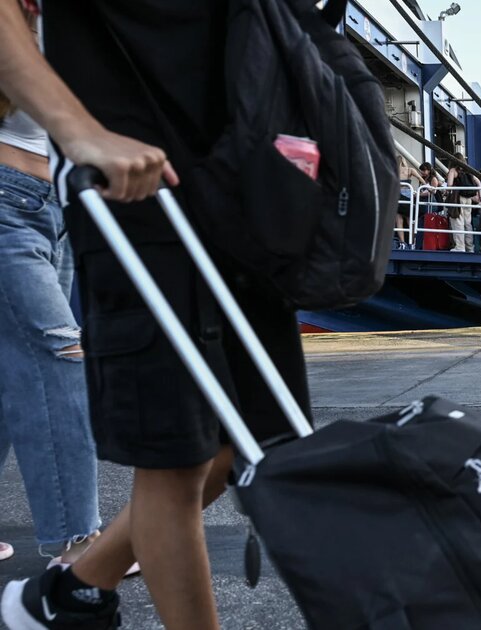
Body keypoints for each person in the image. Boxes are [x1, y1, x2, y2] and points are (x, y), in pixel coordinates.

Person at [0, 2, 317, 628]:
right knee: (144, 428)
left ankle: (74, 590)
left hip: (226, 186)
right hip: (113, 190)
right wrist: (77, 129)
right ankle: (75, 553)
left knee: (257, 436)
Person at [0, 1, 102, 572]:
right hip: (4, 200)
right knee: (57, 355)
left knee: (7, 377)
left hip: (54, 208)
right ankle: (79, 544)